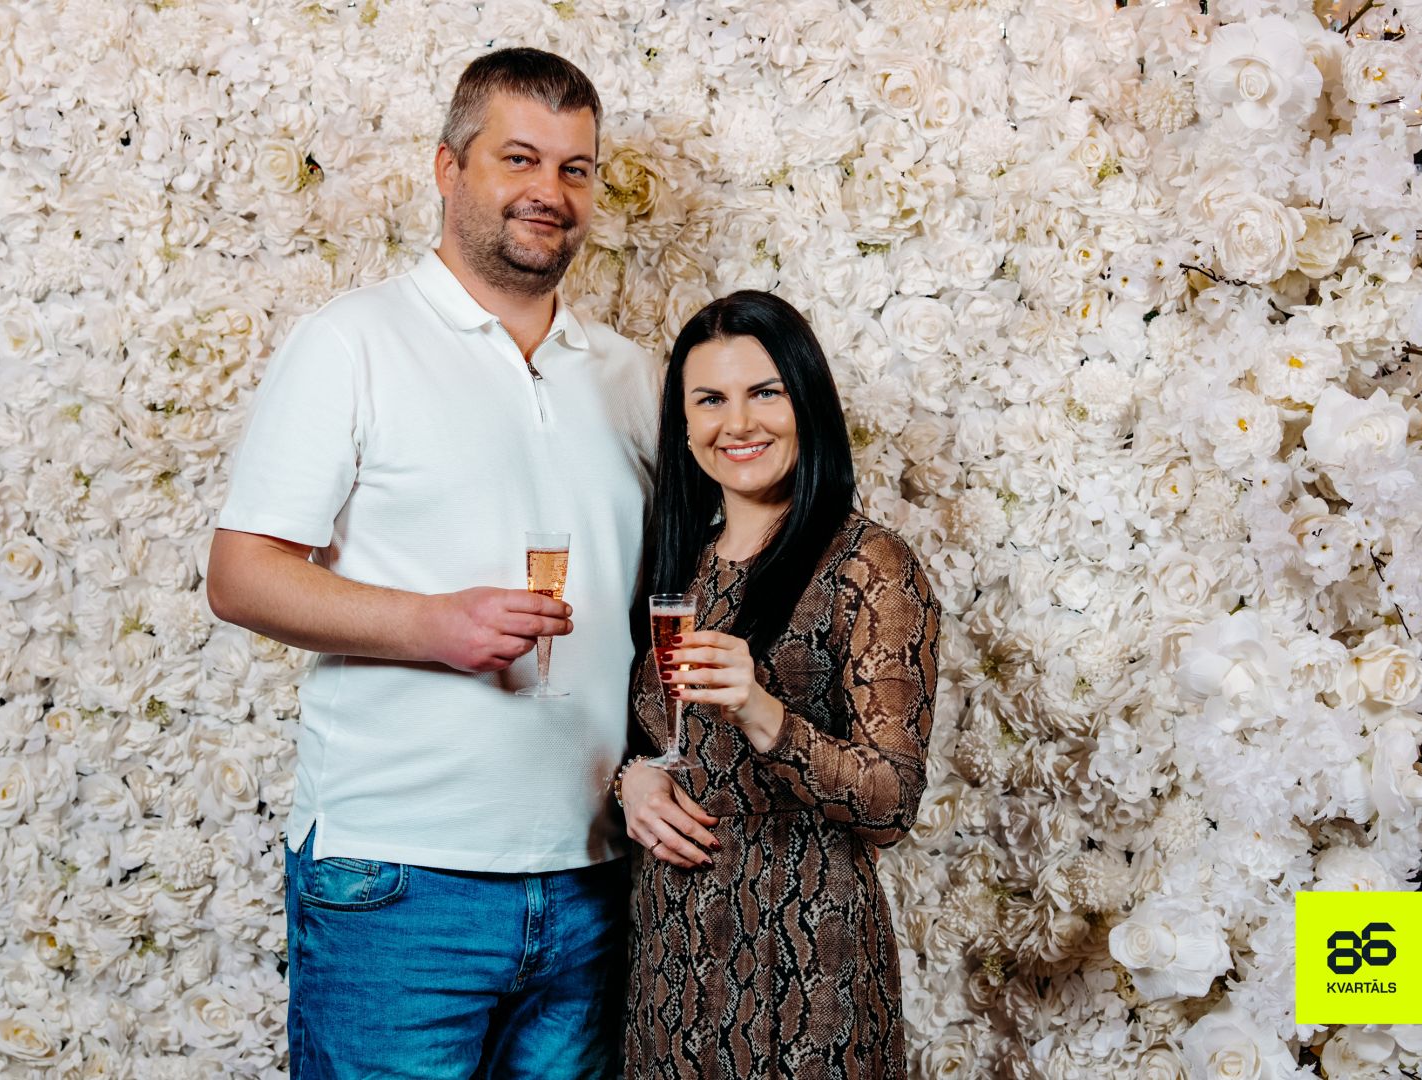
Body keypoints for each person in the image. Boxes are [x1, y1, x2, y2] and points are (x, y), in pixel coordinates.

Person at [207, 48, 656, 1079]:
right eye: (519, 158)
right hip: (398, 884)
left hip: (593, 880)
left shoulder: (633, 378)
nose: (549, 191)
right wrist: (432, 624)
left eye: (576, 169)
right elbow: (241, 573)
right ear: (449, 168)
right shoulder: (352, 342)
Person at [615, 291, 942, 1078]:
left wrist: (762, 711)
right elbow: (651, 741)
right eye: (710, 400)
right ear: (683, 423)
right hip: (671, 960)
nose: (738, 424)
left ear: (807, 403)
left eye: (765, 392)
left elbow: (891, 801)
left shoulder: (870, 564)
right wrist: (633, 782)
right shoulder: (677, 565)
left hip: (807, 965)